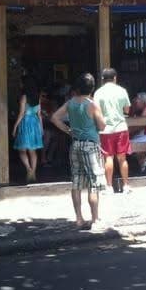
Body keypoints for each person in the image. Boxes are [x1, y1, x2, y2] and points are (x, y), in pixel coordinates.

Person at [51, 73, 107, 230]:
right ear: (92, 88)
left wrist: (69, 130)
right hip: (90, 145)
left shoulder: (70, 103)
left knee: (76, 182)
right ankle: (95, 219)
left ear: (77, 87)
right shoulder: (92, 104)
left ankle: (79, 218)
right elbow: (102, 126)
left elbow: (55, 117)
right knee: (93, 183)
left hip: (75, 144)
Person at [93, 68, 132, 194]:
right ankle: (126, 186)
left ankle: (109, 187)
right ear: (115, 78)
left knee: (108, 158)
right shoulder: (122, 90)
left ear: (102, 79)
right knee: (122, 158)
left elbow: (96, 111)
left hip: (105, 130)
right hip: (121, 127)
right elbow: (127, 110)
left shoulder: (98, 93)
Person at [12, 76, 44, 183]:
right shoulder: (38, 97)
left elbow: (21, 114)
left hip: (25, 123)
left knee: (22, 150)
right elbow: (39, 114)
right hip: (35, 123)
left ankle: (29, 169)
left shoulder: (24, 97)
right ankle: (33, 172)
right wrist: (41, 127)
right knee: (32, 151)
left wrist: (15, 126)